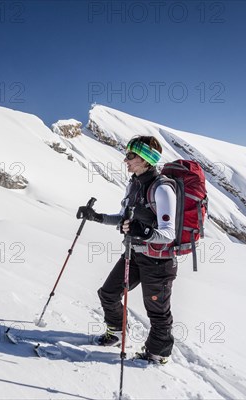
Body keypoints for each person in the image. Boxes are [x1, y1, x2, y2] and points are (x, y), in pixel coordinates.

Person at [76, 135, 177, 365]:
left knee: (157, 311)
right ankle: (118, 333)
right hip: (134, 254)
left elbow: (169, 233)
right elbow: (125, 219)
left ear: (146, 159)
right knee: (108, 293)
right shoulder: (134, 184)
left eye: (131, 156)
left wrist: (145, 232)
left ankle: (158, 354)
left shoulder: (162, 189)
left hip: (159, 261)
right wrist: (97, 217)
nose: (126, 160)